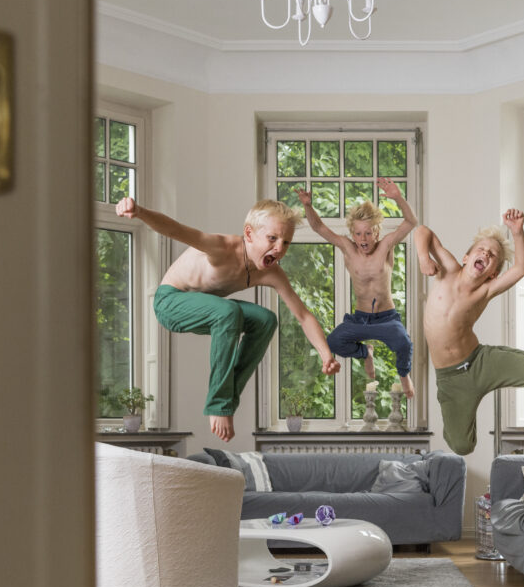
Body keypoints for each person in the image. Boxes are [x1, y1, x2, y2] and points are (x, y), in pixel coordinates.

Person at [115, 196, 340, 442]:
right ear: (249, 234)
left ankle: (229, 398)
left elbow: (303, 315)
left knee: (265, 319)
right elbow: (175, 229)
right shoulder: (222, 247)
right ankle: (218, 404)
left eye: (286, 242)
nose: (279, 249)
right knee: (227, 312)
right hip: (171, 302)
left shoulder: (272, 273)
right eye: (272, 238)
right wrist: (139, 212)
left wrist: (326, 354)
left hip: (210, 309)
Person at [415, 209, 524, 455]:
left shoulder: (486, 290)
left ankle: (493, 373)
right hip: (451, 379)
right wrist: (424, 257)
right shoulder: (447, 268)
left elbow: (521, 268)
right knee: (462, 446)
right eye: (481, 249)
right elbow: (422, 231)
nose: (485, 253)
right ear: (466, 257)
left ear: (493, 272)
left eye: (492, 255)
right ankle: (464, 406)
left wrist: (517, 232)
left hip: (479, 362)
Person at [297, 178, 418, 397]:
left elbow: (411, 222)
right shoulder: (347, 248)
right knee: (333, 342)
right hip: (360, 319)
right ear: (352, 234)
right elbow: (318, 227)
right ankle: (365, 353)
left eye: (368, 233)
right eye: (359, 233)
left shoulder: (386, 246)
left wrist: (398, 197)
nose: (363, 238)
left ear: (377, 233)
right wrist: (307, 205)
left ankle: (404, 374)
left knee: (404, 344)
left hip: (386, 319)